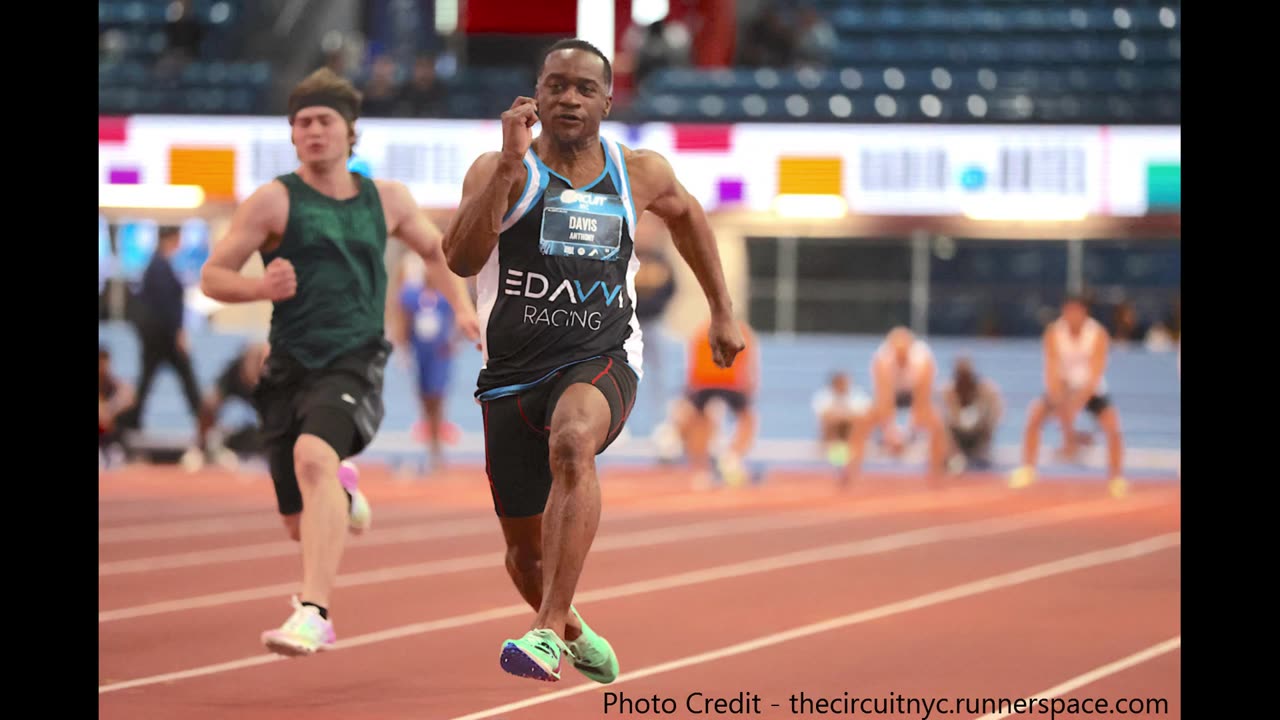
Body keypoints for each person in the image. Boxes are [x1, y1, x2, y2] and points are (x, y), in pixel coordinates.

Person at [442, 38, 744, 684]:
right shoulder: (499, 169)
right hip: (510, 378)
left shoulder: (638, 172)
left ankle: (547, 630)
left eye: (585, 88)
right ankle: (572, 625)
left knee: (575, 440)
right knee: (524, 559)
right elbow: (462, 261)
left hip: (601, 357)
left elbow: (689, 216)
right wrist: (504, 167)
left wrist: (721, 309)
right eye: (556, 85)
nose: (569, 98)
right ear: (535, 94)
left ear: (608, 101)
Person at [199, 68, 480, 657]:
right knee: (301, 523)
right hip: (288, 366)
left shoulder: (388, 199)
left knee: (313, 457)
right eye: (301, 123)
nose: (312, 132)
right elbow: (214, 275)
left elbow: (436, 251)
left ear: (351, 133)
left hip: (354, 357)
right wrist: (259, 289)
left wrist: (461, 309)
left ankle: (314, 613)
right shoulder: (274, 199)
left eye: (324, 121)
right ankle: (342, 496)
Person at [1011, 295, 1126, 497]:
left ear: (1084, 312)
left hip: (1091, 390)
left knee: (1113, 426)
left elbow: (1095, 373)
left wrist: (1075, 408)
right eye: (1068, 311)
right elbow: (1051, 370)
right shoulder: (1054, 332)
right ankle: (1028, 469)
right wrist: (1061, 406)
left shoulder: (1097, 334)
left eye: (1076, 311)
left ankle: (1116, 478)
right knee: (1034, 416)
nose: (1071, 316)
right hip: (1062, 388)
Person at [126, 226, 203, 448]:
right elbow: (165, 306)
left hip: (159, 337)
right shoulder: (159, 266)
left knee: (151, 381)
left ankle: (133, 424)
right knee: (182, 379)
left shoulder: (160, 264)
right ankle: (203, 424)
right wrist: (178, 332)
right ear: (172, 238)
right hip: (162, 338)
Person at [843, 327, 946, 486]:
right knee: (861, 422)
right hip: (892, 395)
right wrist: (890, 431)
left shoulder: (923, 359)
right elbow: (884, 397)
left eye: (903, 354)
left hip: (914, 395)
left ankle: (936, 473)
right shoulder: (882, 359)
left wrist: (910, 430)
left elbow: (922, 398)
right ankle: (850, 471)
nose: (900, 358)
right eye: (897, 354)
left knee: (937, 425)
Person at [675, 317, 759, 488]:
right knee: (747, 419)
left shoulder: (701, 330)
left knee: (700, 424)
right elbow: (749, 360)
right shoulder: (741, 330)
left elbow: (692, 361)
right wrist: (750, 385)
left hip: (703, 383)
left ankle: (702, 470)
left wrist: (691, 389)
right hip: (730, 382)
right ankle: (732, 456)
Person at [395, 258, 460, 473]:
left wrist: (453, 343)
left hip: (439, 355)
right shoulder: (412, 296)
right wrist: (402, 348)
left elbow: (456, 320)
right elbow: (403, 320)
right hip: (420, 354)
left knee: (437, 399)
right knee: (424, 398)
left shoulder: (444, 299)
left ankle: (437, 449)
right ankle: (431, 445)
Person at [194, 341, 270, 469]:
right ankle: (201, 448)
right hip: (237, 382)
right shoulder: (234, 372)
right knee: (208, 405)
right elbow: (212, 400)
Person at [940, 357, 1003, 471]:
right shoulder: (949, 390)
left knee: (989, 420)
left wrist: (984, 420)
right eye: (961, 378)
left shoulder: (985, 389)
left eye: (967, 377)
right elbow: (943, 416)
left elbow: (997, 412)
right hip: (957, 434)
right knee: (941, 425)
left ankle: (981, 452)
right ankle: (955, 455)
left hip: (978, 433)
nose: (964, 383)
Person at [811, 371, 871, 468]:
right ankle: (838, 457)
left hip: (851, 431)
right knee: (830, 424)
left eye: (844, 382)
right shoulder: (824, 396)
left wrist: (844, 418)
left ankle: (853, 456)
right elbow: (824, 416)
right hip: (833, 432)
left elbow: (864, 416)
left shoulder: (857, 395)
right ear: (834, 384)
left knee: (858, 424)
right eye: (839, 383)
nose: (842, 386)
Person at [99, 345, 135, 466]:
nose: (103, 368)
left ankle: (112, 449)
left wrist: (111, 409)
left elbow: (130, 396)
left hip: (109, 426)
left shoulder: (113, 383)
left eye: (105, 363)